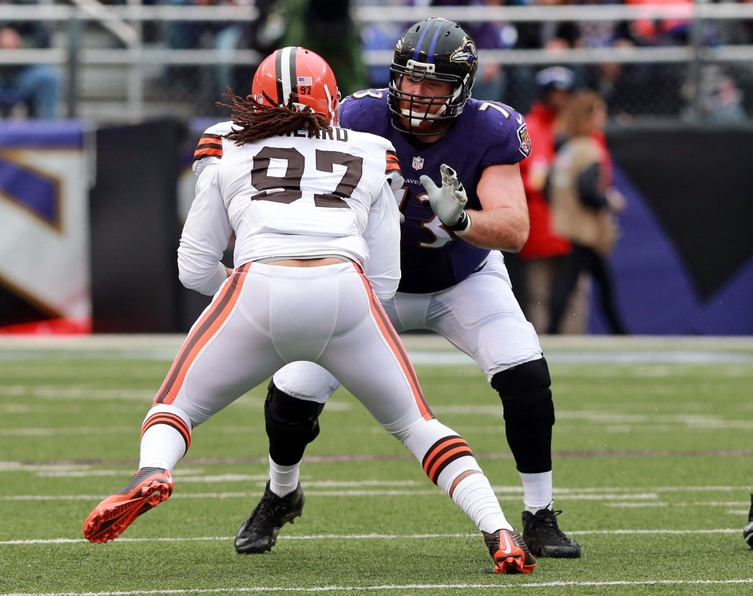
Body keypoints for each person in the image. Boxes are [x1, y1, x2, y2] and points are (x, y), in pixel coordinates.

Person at [82, 46, 536, 575]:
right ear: (331, 100)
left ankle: (152, 470)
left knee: (173, 409)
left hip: (258, 284)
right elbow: (386, 278)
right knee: (418, 425)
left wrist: (241, 294)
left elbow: (194, 266)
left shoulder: (224, 145)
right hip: (345, 288)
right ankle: (498, 527)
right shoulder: (372, 150)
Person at [235, 18, 582, 561]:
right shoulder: (356, 116)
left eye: (434, 84)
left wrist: (463, 219)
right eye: (410, 80)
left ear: (462, 88)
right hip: (371, 283)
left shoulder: (490, 129)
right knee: (292, 392)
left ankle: (539, 514)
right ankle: (281, 493)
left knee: (527, 375)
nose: (418, 94)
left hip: (460, 279)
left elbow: (515, 230)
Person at [546, 90, 627, 335]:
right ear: (588, 116)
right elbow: (587, 191)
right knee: (577, 283)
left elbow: (548, 187)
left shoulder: (567, 150)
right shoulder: (589, 150)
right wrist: (609, 200)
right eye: (599, 113)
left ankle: (620, 332)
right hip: (585, 229)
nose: (603, 118)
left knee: (594, 282)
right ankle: (620, 334)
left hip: (570, 224)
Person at [515, 66, 581, 335]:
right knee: (538, 293)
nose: (560, 99)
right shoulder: (527, 128)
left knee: (575, 294)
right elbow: (528, 180)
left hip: (574, 224)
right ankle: (540, 348)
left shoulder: (579, 128)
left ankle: (576, 348)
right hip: (540, 223)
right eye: (554, 92)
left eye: (565, 93)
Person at [0, 0, 61, 120]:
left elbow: (43, 39)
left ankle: (49, 133)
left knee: (49, 77)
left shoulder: (29, 4)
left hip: (23, 72)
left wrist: (20, 43)